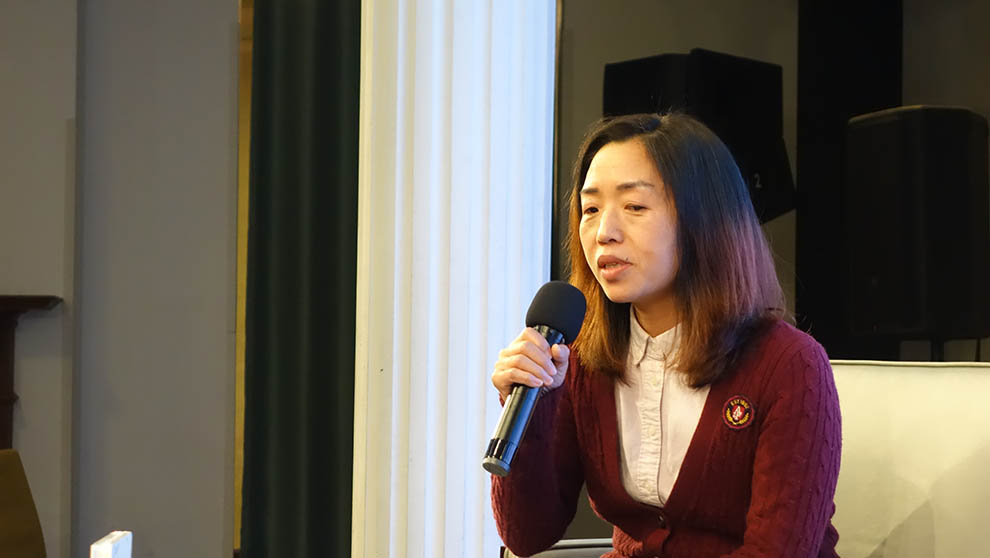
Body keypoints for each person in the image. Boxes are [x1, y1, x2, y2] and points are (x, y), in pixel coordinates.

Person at [490, 112, 841, 558]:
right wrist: (532, 403)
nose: (604, 233)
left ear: (705, 221)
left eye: (634, 207)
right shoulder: (581, 359)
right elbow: (526, 535)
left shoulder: (790, 366)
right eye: (591, 209)